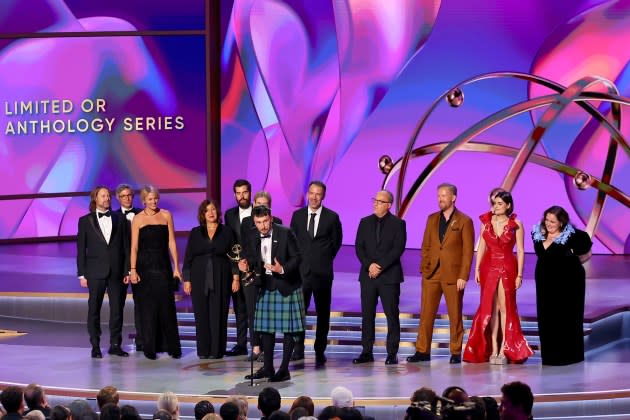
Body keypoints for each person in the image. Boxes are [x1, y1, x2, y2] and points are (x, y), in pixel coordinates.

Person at [408, 183, 474, 364]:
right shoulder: (431, 219)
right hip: (431, 273)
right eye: (438, 196)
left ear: (453, 197)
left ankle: (455, 351)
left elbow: (468, 252)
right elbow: (426, 245)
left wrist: (463, 275)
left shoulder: (464, 221)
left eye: (444, 195)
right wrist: (424, 266)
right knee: (426, 314)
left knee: (455, 315)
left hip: (453, 275)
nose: (440, 199)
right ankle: (422, 350)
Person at [464, 191, 533, 364]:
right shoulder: (485, 223)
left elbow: (521, 250)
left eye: (500, 203)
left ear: (508, 205)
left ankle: (504, 348)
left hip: (508, 266)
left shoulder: (516, 223)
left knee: (505, 307)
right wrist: (477, 269)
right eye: (494, 203)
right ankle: (493, 348)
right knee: (490, 308)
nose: (496, 206)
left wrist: (519, 274)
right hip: (489, 266)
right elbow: (481, 247)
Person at [238, 205, 304, 382]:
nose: (263, 226)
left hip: (287, 284)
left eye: (265, 221)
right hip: (266, 285)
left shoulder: (286, 232)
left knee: (289, 329)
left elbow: (297, 257)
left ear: (271, 218)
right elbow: (251, 258)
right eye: (259, 222)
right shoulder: (252, 235)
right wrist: (246, 266)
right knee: (266, 328)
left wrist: (281, 268)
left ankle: (284, 369)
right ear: (254, 222)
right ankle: (267, 368)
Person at [290, 181, 343, 364]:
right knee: (299, 313)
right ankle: (298, 349)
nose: (314, 197)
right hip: (301, 273)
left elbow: (336, 243)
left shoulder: (332, 217)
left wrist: (323, 259)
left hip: (322, 273)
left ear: (323, 196)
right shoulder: (297, 216)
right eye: (311, 193)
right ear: (307, 194)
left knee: (323, 313)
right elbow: (293, 242)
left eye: (318, 194)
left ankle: (320, 349)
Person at [532, 205, 592, 365]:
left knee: (566, 317)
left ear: (561, 222)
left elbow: (587, 250)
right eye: (546, 220)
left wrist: (571, 259)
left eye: (552, 221)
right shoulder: (538, 233)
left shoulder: (572, 235)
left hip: (568, 283)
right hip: (545, 283)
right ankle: (550, 355)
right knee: (546, 317)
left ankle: (569, 356)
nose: (548, 224)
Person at [353, 190, 407, 365]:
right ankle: (366, 351)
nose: (375, 203)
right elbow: (359, 247)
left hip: (389, 276)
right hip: (368, 276)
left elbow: (397, 249)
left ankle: (392, 353)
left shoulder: (399, 224)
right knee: (367, 315)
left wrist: (380, 266)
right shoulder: (364, 222)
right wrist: (369, 265)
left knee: (391, 314)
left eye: (379, 201)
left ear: (388, 205)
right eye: (374, 200)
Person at [129, 185, 182, 360]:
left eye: (156, 198)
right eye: (150, 199)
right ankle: (149, 347)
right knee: (148, 308)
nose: (153, 202)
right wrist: (133, 270)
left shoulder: (166, 215)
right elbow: (134, 247)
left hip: (163, 266)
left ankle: (172, 347)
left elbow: (172, 243)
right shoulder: (137, 219)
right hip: (144, 267)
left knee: (167, 307)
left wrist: (176, 267)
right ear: (144, 200)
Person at [182, 199, 240, 359]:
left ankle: (217, 351)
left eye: (213, 209)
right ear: (203, 214)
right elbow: (188, 258)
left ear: (217, 212)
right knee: (201, 314)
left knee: (219, 313)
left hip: (221, 276)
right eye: (207, 210)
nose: (211, 213)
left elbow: (234, 256)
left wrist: (235, 278)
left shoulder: (227, 232)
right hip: (198, 276)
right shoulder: (195, 232)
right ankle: (203, 350)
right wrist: (187, 279)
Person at [76, 186, 129, 358]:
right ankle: (95, 346)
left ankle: (115, 344)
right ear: (95, 199)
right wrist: (82, 274)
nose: (107, 198)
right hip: (95, 272)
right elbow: (81, 249)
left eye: (108, 195)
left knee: (117, 310)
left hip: (116, 271)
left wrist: (128, 269)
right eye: (103, 196)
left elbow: (126, 247)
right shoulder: (85, 221)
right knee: (94, 310)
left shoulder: (120, 218)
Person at [239, 191, 283, 361]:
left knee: (268, 313)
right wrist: (245, 264)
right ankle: (256, 347)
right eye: (258, 204)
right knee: (252, 311)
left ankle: (267, 349)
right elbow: (245, 247)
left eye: (264, 205)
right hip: (252, 273)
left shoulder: (277, 223)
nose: (261, 207)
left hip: (270, 275)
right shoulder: (246, 224)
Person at [224, 179, 253, 357]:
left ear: (250, 192)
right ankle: (241, 344)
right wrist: (235, 270)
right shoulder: (229, 215)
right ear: (234, 195)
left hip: (253, 267)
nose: (242, 196)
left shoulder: (258, 212)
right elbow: (229, 243)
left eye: (245, 192)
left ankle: (257, 345)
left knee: (254, 309)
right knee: (239, 308)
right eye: (238, 193)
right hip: (236, 268)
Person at [114, 183, 144, 351]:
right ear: (118, 198)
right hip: (120, 268)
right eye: (123, 196)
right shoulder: (114, 216)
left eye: (129, 195)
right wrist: (126, 268)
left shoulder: (142, 213)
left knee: (141, 304)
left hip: (141, 266)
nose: (127, 198)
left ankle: (142, 340)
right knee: (117, 305)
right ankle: (115, 343)